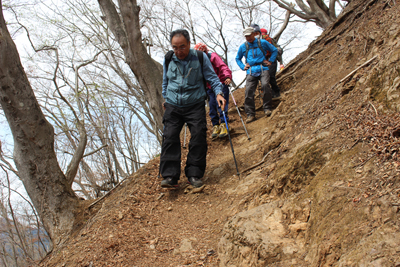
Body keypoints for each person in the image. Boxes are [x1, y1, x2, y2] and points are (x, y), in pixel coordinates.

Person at [160, 29, 226, 188]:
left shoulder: (200, 57)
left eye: (182, 47)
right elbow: (165, 81)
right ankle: (170, 176)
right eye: (175, 47)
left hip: (195, 104)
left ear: (189, 44)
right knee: (169, 137)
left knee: (198, 136)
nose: (178, 51)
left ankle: (194, 174)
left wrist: (218, 93)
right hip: (173, 105)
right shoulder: (169, 58)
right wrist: (165, 98)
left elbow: (213, 78)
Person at [235, 27, 278, 123]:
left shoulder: (262, 42)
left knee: (265, 85)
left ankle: (267, 108)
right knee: (248, 91)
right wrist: (243, 66)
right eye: (246, 36)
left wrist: (270, 61)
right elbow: (237, 58)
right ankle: (250, 114)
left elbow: (274, 50)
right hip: (251, 71)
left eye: (249, 35)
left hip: (263, 68)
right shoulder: (243, 46)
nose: (248, 38)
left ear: (254, 34)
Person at [194, 43, 232, 138]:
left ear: (205, 51)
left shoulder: (213, 56)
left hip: (221, 83)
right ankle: (216, 125)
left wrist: (227, 76)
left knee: (221, 105)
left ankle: (224, 124)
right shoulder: (198, 62)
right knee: (212, 106)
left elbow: (223, 66)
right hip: (210, 87)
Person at [260, 28, 282, 99]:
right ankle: (270, 93)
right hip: (264, 62)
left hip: (271, 60)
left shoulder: (271, 40)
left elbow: (278, 50)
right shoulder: (257, 42)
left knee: (270, 76)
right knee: (266, 78)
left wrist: (280, 62)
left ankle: (276, 91)